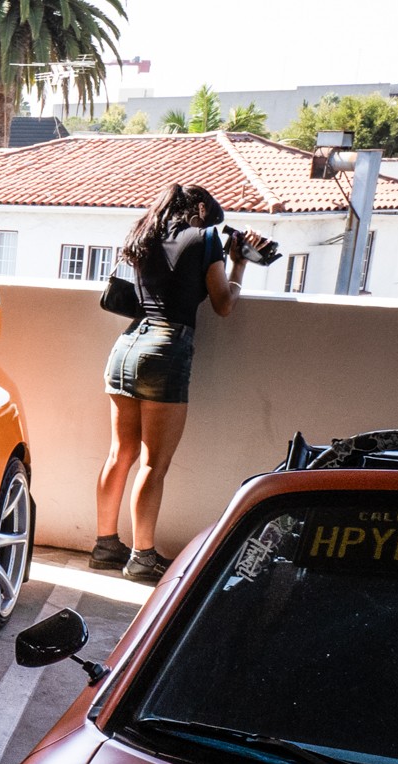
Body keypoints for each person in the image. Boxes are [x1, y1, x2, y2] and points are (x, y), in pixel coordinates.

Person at [91, 183, 259, 583]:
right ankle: (142, 557)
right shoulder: (205, 239)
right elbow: (223, 304)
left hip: (126, 347)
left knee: (120, 454)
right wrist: (239, 264)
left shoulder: (146, 234)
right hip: (166, 350)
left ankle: (104, 545)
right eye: (213, 221)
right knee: (153, 462)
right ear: (200, 208)